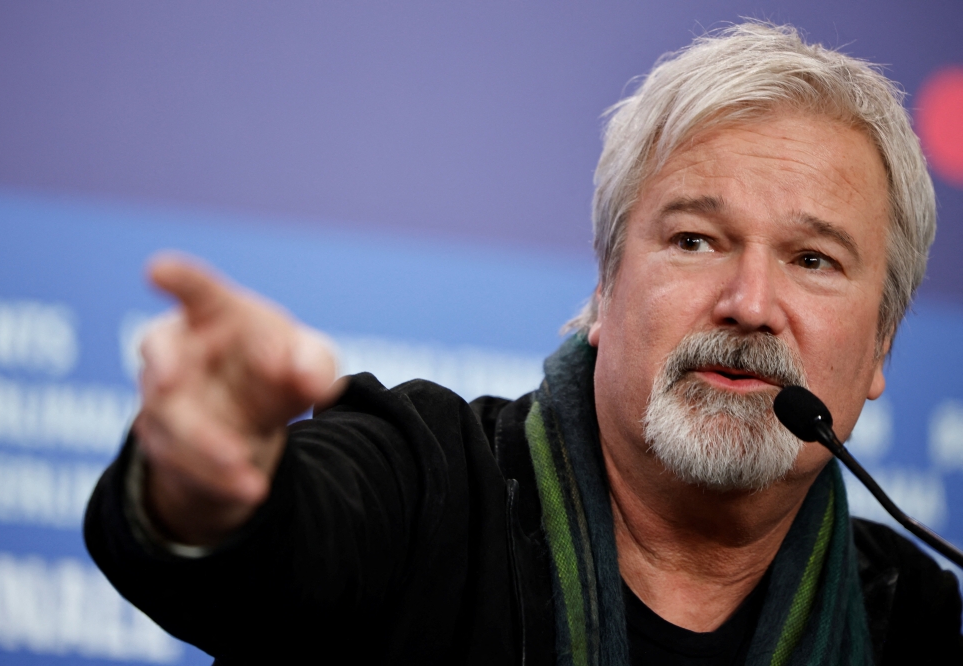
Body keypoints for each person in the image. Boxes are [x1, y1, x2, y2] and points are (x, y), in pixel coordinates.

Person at [84, 22, 963, 665]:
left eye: (813, 260)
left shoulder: (915, 617)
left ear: (881, 344)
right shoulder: (426, 479)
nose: (750, 303)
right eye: (695, 240)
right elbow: (280, 544)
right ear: (605, 290)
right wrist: (210, 492)